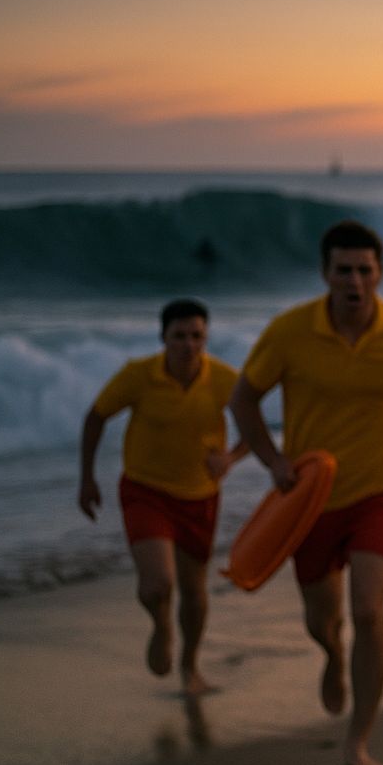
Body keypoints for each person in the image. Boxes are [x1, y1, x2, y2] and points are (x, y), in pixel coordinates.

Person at [229, 220, 383, 765]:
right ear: (325, 273)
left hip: (380, 491)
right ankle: (332, 654)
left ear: (379, 273)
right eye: (343, 270)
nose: (354, 280)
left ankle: (358, 739)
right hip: (309, 499)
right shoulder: (289, 332)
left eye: (363, 270)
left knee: (368, 612)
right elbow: (243, 400)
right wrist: (273, 461)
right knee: (322, 618)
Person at [79, 298, 248, 696]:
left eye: (197, 336)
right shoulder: (139, 376)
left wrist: (231, 457)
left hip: (200, 496)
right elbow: (96, 416)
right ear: (163, 338)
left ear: (206, 338)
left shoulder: (224, 379)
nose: (189, 345)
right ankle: (161, 624)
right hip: (146, 491)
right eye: (179, 336)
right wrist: (87, 478)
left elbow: (253, 425)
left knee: (194, 591)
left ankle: (190, 665)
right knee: (157, 586)